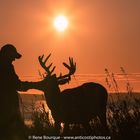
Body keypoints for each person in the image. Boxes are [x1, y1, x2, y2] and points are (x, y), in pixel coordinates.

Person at [0, 44, 47, 140]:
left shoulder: (7, 66)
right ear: (7, 54)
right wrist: (34, 85)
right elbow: (16, 84)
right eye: (13, 57)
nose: (14, 60)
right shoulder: (7, 67)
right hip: (7, 107)